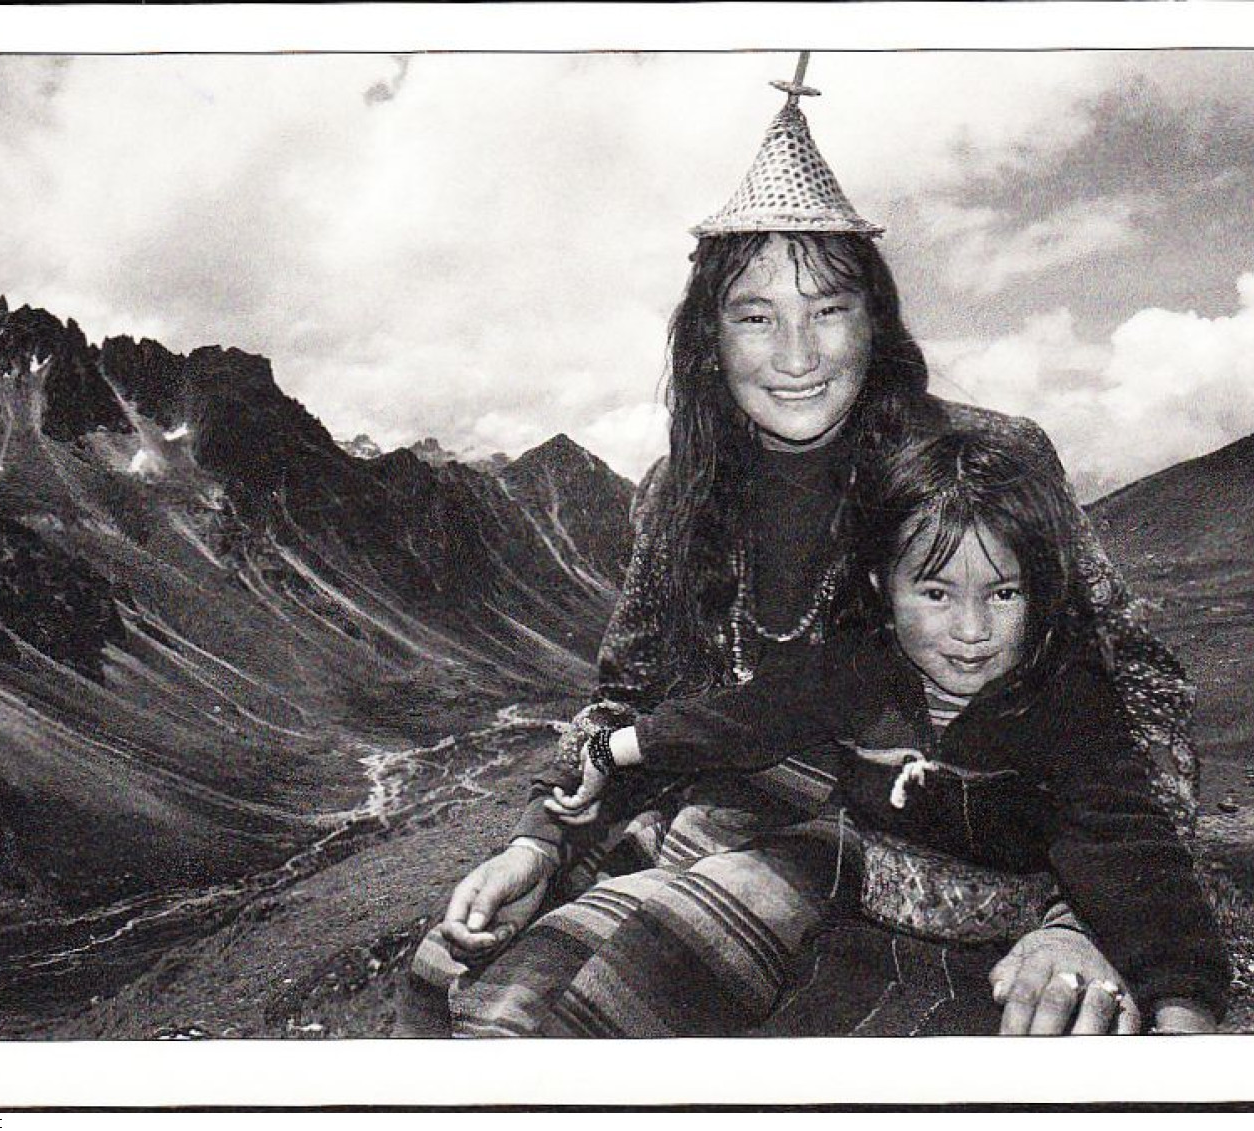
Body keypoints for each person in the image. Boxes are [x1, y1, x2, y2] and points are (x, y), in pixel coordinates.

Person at [393, 63, 1199, 1038]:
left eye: (826, 308)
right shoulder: (676, 495)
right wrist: (540, 841)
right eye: (754, 314)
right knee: (458, 983)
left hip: (933, 847)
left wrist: (1086, 922)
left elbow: (1136, 696)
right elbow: (629, 700)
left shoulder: (981, 465)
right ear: (706, 338)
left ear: (877, 318)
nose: (795, 354)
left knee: (616, 1014)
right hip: (722, 819)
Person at [552, 429, 1230, 1033]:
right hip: (852, 922)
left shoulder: (1066, 703)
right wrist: (613, 747)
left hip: (996, 958)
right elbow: (741, 719)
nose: (972, 631)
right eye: (936, 593)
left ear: (1042, 590)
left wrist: (1182, 1015)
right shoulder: (855, 671)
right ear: (883, 583)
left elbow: (1130, 848)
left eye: (1004, 592)